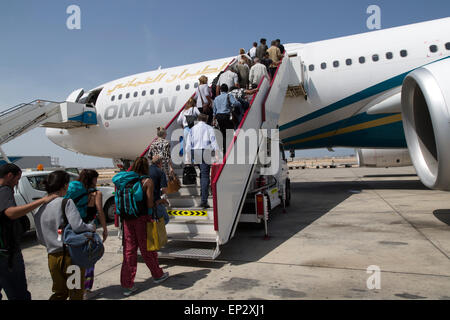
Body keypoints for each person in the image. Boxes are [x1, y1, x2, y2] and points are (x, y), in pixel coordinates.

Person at [33, 170, 96, 300]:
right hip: (70, 256)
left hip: (52, 257)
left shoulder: (39, 207)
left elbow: (40, 238)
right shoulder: (66, 202)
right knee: (76, 292)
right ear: (64, 185)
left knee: (59, 293)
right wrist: (91, 227)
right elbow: (78, 226)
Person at [0, 163, 57, 300]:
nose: (16, 183)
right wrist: (42, 200)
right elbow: (11, 213)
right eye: (17, 179)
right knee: (18, 293)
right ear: (9, 176)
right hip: (7, 254)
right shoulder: (5, 190)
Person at [120, 157, 169, 296]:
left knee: (129, 251)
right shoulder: (147, 181)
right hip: (142, 219)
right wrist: (160, 201)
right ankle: (157, 275)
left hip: (127, 219)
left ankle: (127, 284)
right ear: (145, 167)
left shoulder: (126, 181)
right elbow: (149, 204)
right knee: (148, 248)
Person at [71, 169, 108, 300]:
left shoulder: (73, 192)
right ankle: (86, 290)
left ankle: (74, 290)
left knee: (74, 260)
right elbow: (99, 211)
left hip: (72, 228)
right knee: (89, 259)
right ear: (92, 179)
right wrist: (105, 228)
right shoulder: (95, 193)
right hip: (87, 229)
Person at [185, 113, 220, 208]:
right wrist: (216, 155)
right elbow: (213, 141)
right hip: (205, 151)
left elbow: (188, 144)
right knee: (205, 175)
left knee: (202, 173)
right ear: (206, 119)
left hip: (195, 151)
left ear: (198, 119)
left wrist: (188, 158)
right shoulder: (209, 128)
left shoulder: (192, 129)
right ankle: (204, 200)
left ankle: (202, 193)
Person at [213, 84, 242, 154]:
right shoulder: (229, 95)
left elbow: (214, 110)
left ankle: (224, 151)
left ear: (220, 90)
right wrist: (240, 102)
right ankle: (230, 150)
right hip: (226, 116)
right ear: (227, 90)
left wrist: (214, 119)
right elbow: (235, 103)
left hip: (219, 117)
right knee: (230, 133)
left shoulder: (216, 98)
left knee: (223, 133)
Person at [148, 155, 170, 225]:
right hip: (155, 201)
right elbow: (164, 189)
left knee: (150, 220)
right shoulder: (160, 172)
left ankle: (153, 234)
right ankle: (157, 234)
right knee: (165, 218)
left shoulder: (146, 170)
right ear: (160, 163)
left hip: (145, 201)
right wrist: (162, 199)